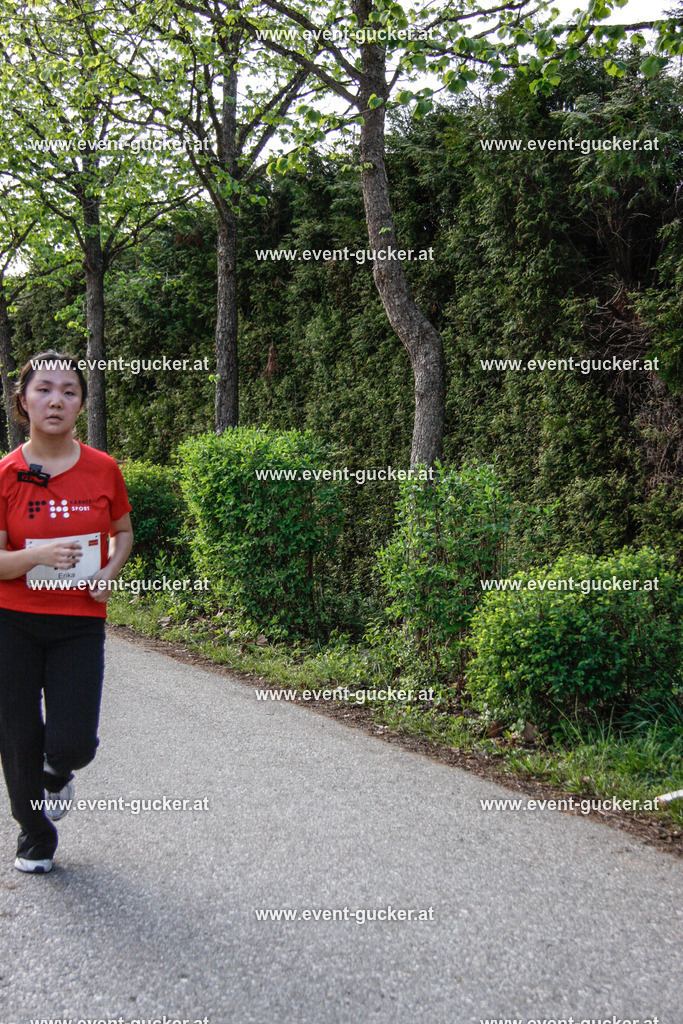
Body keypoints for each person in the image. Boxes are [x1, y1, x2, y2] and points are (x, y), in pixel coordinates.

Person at [0, 350, 133, 873]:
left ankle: (59, 773)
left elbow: (123, 534)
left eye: (69, 391)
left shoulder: (104, 468)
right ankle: (35, 835)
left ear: (81, 403)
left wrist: (109, 571)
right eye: (44, 389)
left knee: (73, 742)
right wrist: (36, 556)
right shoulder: (6, 473)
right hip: (11, 620)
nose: (56, 399)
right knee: (17, 734)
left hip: (79, 623)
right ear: (22, 402)